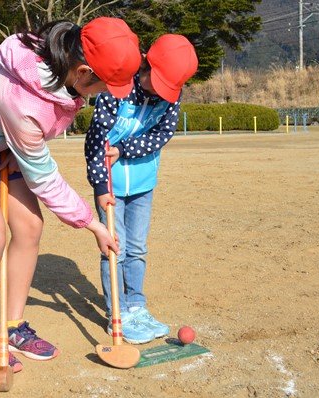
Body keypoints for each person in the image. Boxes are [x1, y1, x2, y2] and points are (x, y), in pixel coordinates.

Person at [0, 17, 141, 375]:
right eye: (105, 85)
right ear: (83, 72)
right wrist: (92, 225)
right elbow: (43, 176)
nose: (106, 92)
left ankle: (13, 325)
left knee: (29, 228)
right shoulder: (25, 102)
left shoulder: (61, 70)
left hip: (0, 137)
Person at [84, 34, 198, 344]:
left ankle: (136, 305)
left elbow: (162, 135)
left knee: (137, 248)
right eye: (155, 81)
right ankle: (117, 314)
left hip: (144, 182)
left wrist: (125, 150)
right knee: (114, 249)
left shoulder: (172, 95)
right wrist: (100, 184)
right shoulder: (116, 89)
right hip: (112, 184)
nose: (159, 92)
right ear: (145, 62)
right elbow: (96, 140)